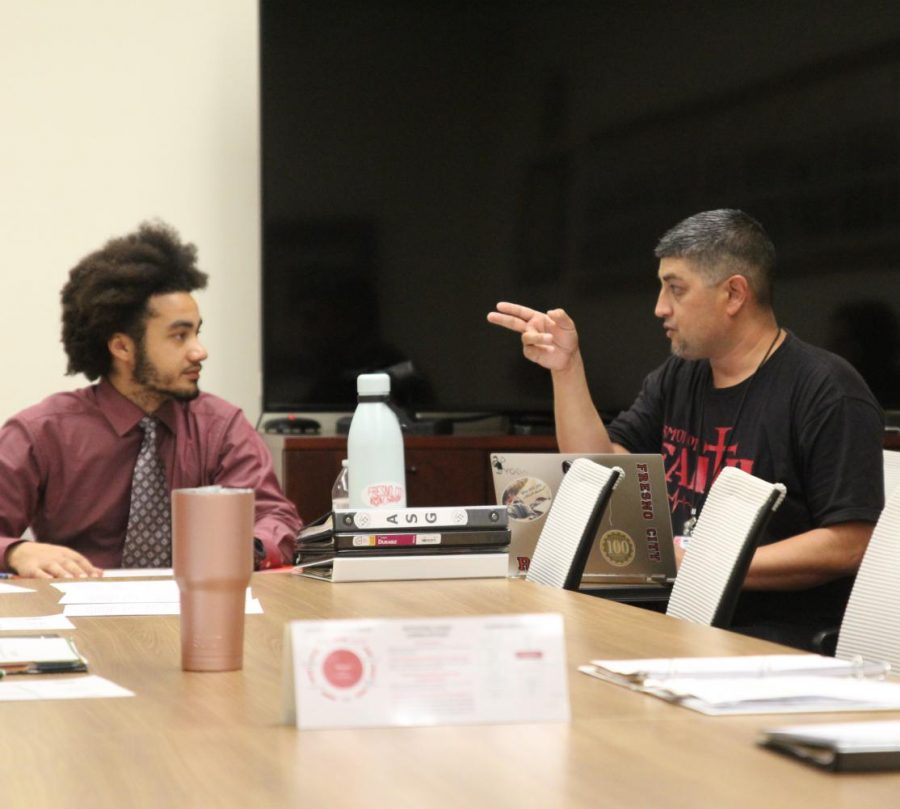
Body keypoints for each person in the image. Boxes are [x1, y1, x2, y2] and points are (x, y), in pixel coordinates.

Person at [488, 209, 885, 650]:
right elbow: (602, 470)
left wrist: (701, 563)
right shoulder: (680, 375)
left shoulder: (826, 390)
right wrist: (565, 368)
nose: (660, 307)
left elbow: (852, 542)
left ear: (734, 294)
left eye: (675, 289)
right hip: (671, 617)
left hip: (766, 637)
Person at [0, 222, 302, 578]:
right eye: (179, 336)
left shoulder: (221, 427)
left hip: (196, 607)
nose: (199, 351)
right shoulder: (42, 431)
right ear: (122, 347)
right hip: (83, 617)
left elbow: (275, 517)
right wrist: (17, 552)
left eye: (197, 332)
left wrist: (247, 547)